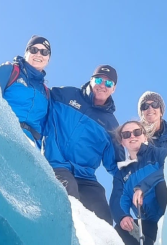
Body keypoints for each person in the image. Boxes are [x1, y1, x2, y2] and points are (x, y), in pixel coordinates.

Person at [44, 64, 123, 224]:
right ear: (91, 80)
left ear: (113, 89)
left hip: (86, 177)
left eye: (109, 83)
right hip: (57, 165)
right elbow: (38, 94)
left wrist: (134, 179)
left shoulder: (111, 125)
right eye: (99, 80)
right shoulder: (65, 95)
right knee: (69, 193)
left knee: (102, 213)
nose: (103, 85)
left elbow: (117, 164)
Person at [110, 120, 167, 245]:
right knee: (121, 228)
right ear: (122, 142)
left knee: (161, 185)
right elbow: (118, 199)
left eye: (137, 132)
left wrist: (142, 187)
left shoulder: (159, 154)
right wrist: (123, 216)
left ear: (144, 136)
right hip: (150, 224)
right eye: (126, 134)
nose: (132, 136)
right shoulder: (121, 174)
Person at [0, 35, 51, 147]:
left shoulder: (46, 94)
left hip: (28, 149)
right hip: (3, 133)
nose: (38, 54)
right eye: (34, 50)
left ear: (48, 59)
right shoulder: (9, 71)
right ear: (26, 53)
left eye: (44, 52)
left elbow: (45, 129)